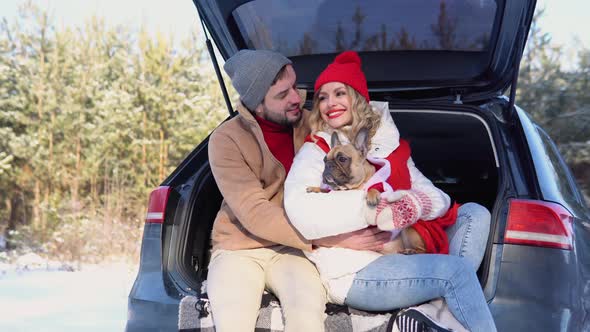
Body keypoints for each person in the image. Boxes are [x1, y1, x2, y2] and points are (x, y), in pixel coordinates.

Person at [284, 51, 496, 332]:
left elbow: (439, 198)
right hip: (353, 269)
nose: (329, 103)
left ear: (357, 98)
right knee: (456, 272)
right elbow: (300, 209)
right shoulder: (318, 150)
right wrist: (373, 209)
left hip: (403, 251)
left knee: (474, 213)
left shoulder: (389, 148)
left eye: (339, 93)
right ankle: (448, 295)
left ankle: (438, 307)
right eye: (322, 97)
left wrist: (413, 205)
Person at [206, 49, 391, 332]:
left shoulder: (312, 123)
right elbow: (255, 213)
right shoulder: (227, 139)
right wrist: (333, 239)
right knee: (233, 320)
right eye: (282, 95)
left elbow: (362, 132)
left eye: (294, 86)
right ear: (257, 104)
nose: (296, 98)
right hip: (238, 248)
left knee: (306, 316)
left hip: (292, 250)